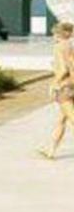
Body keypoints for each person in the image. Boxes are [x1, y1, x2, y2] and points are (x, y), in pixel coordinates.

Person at [45, 21, 74, 159]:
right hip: (72, 85)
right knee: (62, 120)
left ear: (59, 34)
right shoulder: (70, 45)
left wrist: (53, 84)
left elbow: (63, 69)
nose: (53, 37)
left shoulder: (58, 47)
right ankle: (51, 151)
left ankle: (51, 150)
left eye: (54, 34)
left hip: (65, 87)